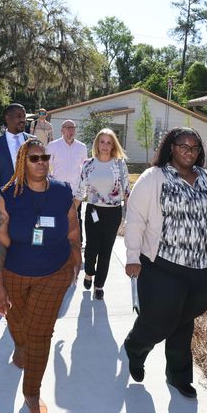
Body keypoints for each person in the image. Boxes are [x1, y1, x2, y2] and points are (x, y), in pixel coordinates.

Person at [123, 127, 207, 399]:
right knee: (161, 319)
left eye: (194, 147)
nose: (189, 152)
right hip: (164, 264)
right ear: (171, 147)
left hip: (204, 265)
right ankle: (136, 346)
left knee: (185, 319)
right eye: (183, 146)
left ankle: (177, 376)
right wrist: (132, 257)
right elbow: (136, 219)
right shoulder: (154, 177)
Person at [0, 139, 82, 413]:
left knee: (40, 332)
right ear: (22, 163)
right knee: (17, 323)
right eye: (35, 158)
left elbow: (73, 228)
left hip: (54, 273)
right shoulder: (9, 195)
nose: (41, 162)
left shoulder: (63, 192)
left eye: (45, 157)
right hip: (15, 273)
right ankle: (20, 346)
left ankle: (32, 391)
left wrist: (76, 259)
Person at [74, 128, 130, 301]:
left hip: (113, 213)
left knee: (106, 251)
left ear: (113, 145)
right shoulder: (87, 164)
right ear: (97, 144)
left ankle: (99, 285)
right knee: (91, 249)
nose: (105, 146)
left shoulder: (119, 165)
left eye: (109, 142)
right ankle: (89, 273)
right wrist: (69, 214)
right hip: (93, 211)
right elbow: (80, 192)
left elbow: (126, 192)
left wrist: (128, 218)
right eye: (102, 142)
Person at [0, 103, 33, 224]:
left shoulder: (33, 141)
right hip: (5, 200)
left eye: (24, 116)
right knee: (6, 237)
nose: (22, 120)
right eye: (18, 116)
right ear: (7, 118)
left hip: (31, 198)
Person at [47, 119, 88, 233]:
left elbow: (85, 169)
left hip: (74, 191)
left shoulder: (82, 147)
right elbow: (46, 167)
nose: (70, 130)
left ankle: (77, 244)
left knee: (75, 219)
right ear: (62, 130)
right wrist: (51, 183)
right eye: (67, 127)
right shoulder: (53, 145)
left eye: (73, 128)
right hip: (57, 191)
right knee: (56, 219)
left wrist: (81, 191)